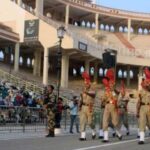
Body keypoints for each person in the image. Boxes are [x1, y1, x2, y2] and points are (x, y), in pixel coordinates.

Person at [102, 68, 122, 142]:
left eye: (111, 84)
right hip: (107, 106)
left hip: (113, 105)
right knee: (105, 121)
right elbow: (104, 97)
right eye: (109, 83)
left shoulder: (114, 90)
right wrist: (103, 100)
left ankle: (119, 133)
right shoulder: (106, 90)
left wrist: (112, 90)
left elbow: (116, 95)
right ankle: (105, 138)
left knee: (115, 122)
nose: (110, 84)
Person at [79, 71, 96, 141]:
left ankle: (93, 129)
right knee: (82, 121)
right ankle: (83, 136)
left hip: (90, 107)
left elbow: (93, 95)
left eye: (87, 83)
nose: (86, 85)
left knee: (90, 122)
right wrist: (79, 105)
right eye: (85, 83)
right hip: (83, 106)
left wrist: (86, 92)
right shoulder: (83, 90)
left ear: (89, 84)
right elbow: (81, 98)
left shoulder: (92, 89)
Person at [137, 68, 150, 144]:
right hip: (142, 107)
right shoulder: (141, 92)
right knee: (142, 122)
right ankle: (141, 139)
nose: (146, 84)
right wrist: (137, 111)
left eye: (147, 83)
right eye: (145, 83)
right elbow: (138, 101)